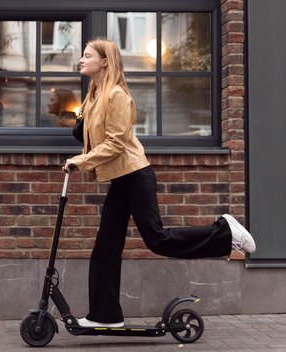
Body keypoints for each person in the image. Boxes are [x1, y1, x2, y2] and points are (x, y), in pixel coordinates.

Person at [62, 37, 256, 329]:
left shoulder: (117, 95)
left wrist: (81, 161)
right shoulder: (95, 95)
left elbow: (116, 143)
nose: (81, 59)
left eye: (87, 55)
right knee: (106, 246)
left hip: (136, 176)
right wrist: (82, 120)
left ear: (105, 61)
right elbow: (88, 136)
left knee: (157, 240)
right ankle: (105, 315)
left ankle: (225, 233)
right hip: (121, 179)